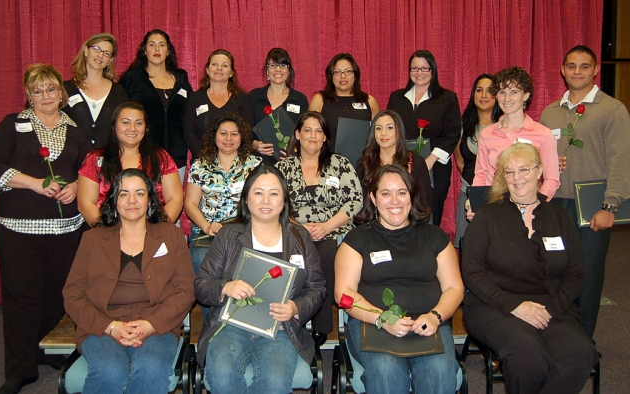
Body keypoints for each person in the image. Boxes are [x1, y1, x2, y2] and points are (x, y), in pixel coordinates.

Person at [462, 143, 598, 393]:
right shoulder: (487, 217)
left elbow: (576, 273)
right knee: (528, 353)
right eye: (509, 172)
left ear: (539, 171)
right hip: (494, 306)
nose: (517, 178)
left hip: (550, 306)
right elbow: (471, 273)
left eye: (524, 169)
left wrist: (552, 309)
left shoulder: (559, 218)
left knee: (580, 352)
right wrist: (513, 305)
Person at [0, 63, 91, 394]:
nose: (46, 96)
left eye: (51, 89)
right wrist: (34, 183)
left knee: (57, 294)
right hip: (20, 228)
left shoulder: (76, 129)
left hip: (66, 228)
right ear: (28, 95)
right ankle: (19, 369)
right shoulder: (12, 125)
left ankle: (48, 352)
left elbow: (88, 169)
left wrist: (76, 186)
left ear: (61, 94)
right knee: (22, 298)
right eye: (38, 90)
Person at [195, 164, 326, 394]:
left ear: (284, 200)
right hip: (230, 325)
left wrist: (296, 307)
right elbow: (202, 286)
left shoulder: (299, 237)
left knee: (274, 383)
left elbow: (317, 288)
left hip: (281, 329)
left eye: (274, 193)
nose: (266, 200)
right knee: (222, 377)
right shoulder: (228, 235)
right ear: (246, 199)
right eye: (258, 193)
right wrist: (225, 287)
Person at [334, 164, 464, 393]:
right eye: (386, 193)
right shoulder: (357, 239)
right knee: (386, 372)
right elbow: (344, 294)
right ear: (373, 198)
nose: (395, 201)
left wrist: (435, 316)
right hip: (373, 324)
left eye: (402, 192)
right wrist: (382, 318)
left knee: (440, 372)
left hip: (429, 324)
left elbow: (454, 288)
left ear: (411, 197)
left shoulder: (435, 236)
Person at [63, 169, 195, 394]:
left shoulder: (170, 235)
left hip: (157, 325)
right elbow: (73, 294)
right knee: (109, 369)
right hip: (102, 326)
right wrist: (111, 327)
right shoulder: (92, 239)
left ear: (150, 200)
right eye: (124, 194)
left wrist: (151, 324)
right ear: (114, 200)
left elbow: (186, 290)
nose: (132, 201)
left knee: (151, 368)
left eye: (139, 193)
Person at [540, 45, 630, 337]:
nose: (577, 71)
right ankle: (556, 336)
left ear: (595, 70)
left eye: (584, 66)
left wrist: (611, 207)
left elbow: (621, 160)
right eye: (571, 66)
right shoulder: (549, 113)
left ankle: (583, 339)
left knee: (587, 275)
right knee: (553, 271)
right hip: (554, 205)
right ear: (562, 70)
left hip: (593, 207)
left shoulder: (612, 109)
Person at [275, 111, 363, 345]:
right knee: (299, 257)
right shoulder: (283, 168)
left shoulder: (340, 164)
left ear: (325, 137)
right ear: (297, 134)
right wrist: (300, 228)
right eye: (307, 130)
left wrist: (326, 226)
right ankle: (295, 318)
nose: (313, 136)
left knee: (326, 253)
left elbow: (355, 201)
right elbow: (275, 204)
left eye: (318, 131)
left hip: (334, 231)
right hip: (294, 232)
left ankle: (321, 325)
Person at [77, 101, 183, 227]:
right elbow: (86, 204)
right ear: (114, 125)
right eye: (126, 122)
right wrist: (109, 233)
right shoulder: (95, 159)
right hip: (108, 235)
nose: (132, 128)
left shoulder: (161, 157)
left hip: (153, 235)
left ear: (146, 127)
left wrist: (155, 232)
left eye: (139, 123)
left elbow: (175, 199)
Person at [387, 49, 461, 226]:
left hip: (435, 168)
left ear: (433, 71)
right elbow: (390, 130)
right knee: (401, 211)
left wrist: (430, 160)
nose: (419, 73)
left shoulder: (447, 98)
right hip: (402, 165)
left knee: (430, 213)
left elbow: (453, 133)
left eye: (424, 69)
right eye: (414, 69)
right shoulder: (397, 98)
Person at [184, 113, 262, 276]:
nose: (229, 138)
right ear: (214, 136)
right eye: (223, 133)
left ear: (242, 138)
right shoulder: (200, 165)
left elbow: (261, 203)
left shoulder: (254, 165)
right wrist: (206, 226)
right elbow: (190, 204)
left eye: (234, 134)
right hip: (207, 229)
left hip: (244, 230)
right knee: (203, 267)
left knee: (243, 273)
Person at [472, 66, 560, 204]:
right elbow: (480, 175)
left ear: (525, 95)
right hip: (493, 207)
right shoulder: (487, 134)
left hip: (529, 208)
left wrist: (536, 206)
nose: (507, 99)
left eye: (514, 92)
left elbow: (552, 180)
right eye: (502, 92)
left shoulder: (544, 134)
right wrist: (476, 205)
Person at [119, 29, 193, 175]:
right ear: (144, 50)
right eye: (152, 45)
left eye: (162, 45)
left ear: (168, 51)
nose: (157, 49)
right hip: (141, 156)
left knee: (174, 198)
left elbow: (191, 114)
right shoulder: (132, 79)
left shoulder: (181, 79)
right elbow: (119, 117)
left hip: (176, 158)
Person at [452, 74, 501, 247]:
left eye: (490, 91)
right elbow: (459, 160)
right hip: (469, 194)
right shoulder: (463, 125)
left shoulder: (505, 125)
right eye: (479, 90)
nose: (484, 95)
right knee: (469, 247)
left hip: (499, 197)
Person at [356, 109, 432, 214]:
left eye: (389, 128)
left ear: (399, 131)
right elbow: (362, 205)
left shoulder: (417, 162)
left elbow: (425, 204)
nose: (383, 133)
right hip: (374, 225)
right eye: (378, 128)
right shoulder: (364, 163)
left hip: (410, 224)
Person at [184, 49, 254, 158]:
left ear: (231, 73)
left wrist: (231, 159)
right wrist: (204, 156)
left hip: (235, 163)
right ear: (207, 70)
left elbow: (247, 132)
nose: (219, 68)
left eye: (225, 65)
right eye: (214, 64)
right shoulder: (196, 98)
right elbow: (188, 131)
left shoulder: (242, 99)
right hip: (202, 161)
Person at [62, 33, 128, 149]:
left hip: (108, 161)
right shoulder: (66, 88)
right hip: (73, 161)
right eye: (96, 49)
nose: (100, 55)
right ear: (86, 51)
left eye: (106, 53)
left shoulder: (118, 91)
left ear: (110, 60)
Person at [308, 53, 380, 153]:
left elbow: (378, 135)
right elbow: (309, 132)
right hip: (328, 161)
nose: (343, 76)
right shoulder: (320, 100)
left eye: (348, 71)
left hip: (363, 162)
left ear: (355, 74)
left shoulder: (369, 101)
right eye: (337, 72)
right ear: (330, 76)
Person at [249, 48, 309, 161]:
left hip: (289, 162)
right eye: (273, 65)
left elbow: (305, 131)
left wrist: (295, 148)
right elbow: (244, 129)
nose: (278, 69)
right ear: (267, 71)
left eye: (282, 65)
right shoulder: (254, 96)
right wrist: (254, 144)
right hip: (258, 162)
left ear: (289, 71)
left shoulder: (300, 99)